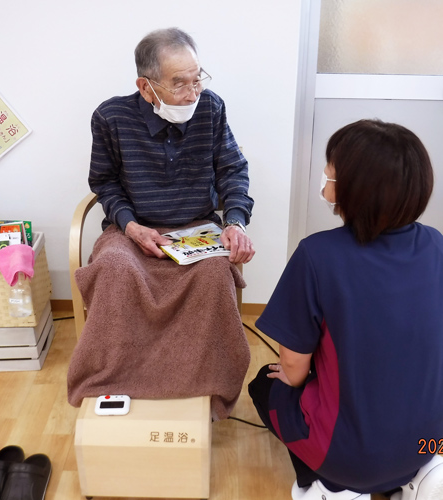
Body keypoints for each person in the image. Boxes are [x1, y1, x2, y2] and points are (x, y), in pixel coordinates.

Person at [249, 119, 443, 499]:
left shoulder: (317, 255)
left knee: (264, 385)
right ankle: (421, 471)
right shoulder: (437, 245)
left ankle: (327, 487)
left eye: (330, 175)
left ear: (356, 190)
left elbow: (292, 369)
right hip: (429, 440)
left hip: (350, 459)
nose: (324, 182)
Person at [67, 28, 255, 419]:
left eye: (198, 77)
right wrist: (130, 225)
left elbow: (233, 170)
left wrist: (234, 222)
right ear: (146, 86)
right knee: (115, 269)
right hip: (132, 230)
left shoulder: (211, 108)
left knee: (213, 274)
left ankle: (204, 387)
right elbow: (104, 182)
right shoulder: (110, 117)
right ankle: (117, 384)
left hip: (195, 228)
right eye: (179, 83)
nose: (193, 92)